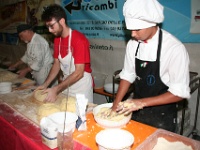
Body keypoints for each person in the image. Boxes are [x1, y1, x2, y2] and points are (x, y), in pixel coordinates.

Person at [111, 0, 190, 132]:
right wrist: (115, 105)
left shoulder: (174, 48)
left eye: (137, 29)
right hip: (136, 111)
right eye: (130, 29)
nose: (133, 34)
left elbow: (179, 93)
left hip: (162, 116)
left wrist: (141, 103)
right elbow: (128, 75)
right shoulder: (133, 44)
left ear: (152, 24)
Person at [38, 4, 93, 103]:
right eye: (47, 27)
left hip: (81, 86)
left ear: (62, 21)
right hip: (67, 84)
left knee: (81, 116)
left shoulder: (79, 40)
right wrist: (45, 84)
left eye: (51, 26)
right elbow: (56, 64)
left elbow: (79, 73)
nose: (50, 30)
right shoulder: (57, 40)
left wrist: (56, 89)